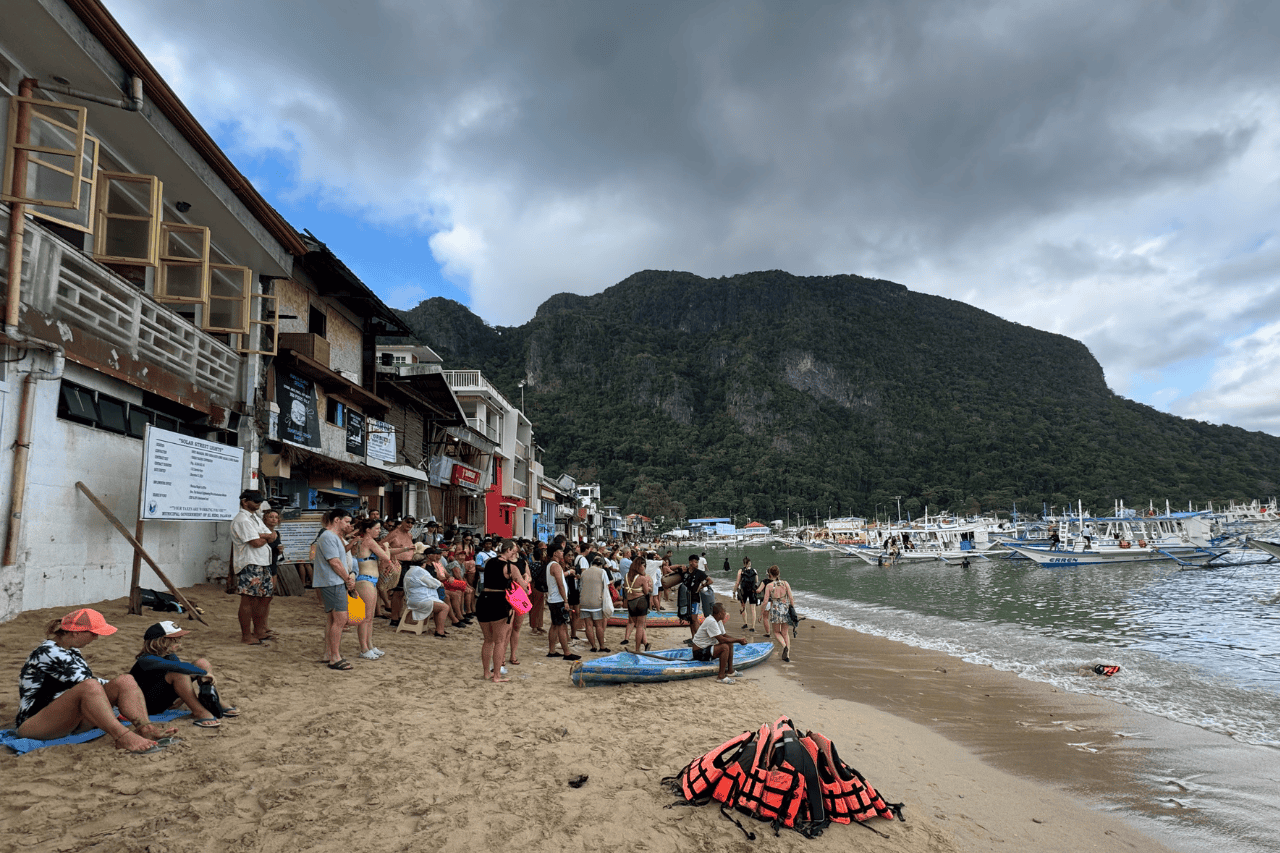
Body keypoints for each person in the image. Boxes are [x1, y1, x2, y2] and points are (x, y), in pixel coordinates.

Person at [14, 609, 176, 753]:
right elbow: (88, 684)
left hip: (67, 718)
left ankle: (145, 728)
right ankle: (123, 737)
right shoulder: (47, 652)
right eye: (93, 633)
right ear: (76, 632)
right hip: (35, 724)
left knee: (125, 680)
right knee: (91, 686)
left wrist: (127, 691)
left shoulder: (71, 650)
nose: (96, 638)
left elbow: (93, 683)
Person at [129, 620, 239, 728]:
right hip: (146, 705)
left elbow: (182, 678)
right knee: (180, 673)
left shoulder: (169, 656)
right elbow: (179, 668)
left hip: (163, 699)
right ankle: (200, 712)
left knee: (202, 663)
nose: (179, 643)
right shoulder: (146, 660)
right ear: (160, 641)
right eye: (175, 640)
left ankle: (216, 701)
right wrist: (203, 673)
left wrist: (182, 697)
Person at [230, 489, 277, 645]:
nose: (258, 504)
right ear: (245, 501)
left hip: (262, 561)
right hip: (250, 562)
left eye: (259, 501)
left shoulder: (255, 518)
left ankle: (258, 630)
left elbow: (271, 535)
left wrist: (263, 535)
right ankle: (246, 635)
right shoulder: (242, 519)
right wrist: (265, 536)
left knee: (265, 597)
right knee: (249, 599)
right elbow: (256, 542)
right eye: (255, 501)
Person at [313, 508, 357, 670]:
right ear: (337, 520)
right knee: (340, 620)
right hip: (333, 582)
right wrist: (347, 579)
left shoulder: (333, 537)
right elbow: (335, 562)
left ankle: (329, 653)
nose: (349, 525)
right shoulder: (328, 536)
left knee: (333, 620)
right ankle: (334, 657)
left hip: (334, 582)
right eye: (347, 521)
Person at [478, 539, 519, 682]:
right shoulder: (510, 567)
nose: (515, 553)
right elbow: (523, 587)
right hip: (499, 600)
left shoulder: (489, 561)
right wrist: (526, 579)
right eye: (513, 550)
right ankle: (496, 675)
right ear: (508, 550)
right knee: (500, 641)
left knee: (487, 640)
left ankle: (486, 673)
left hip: (484, 598)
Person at [352, 518, 392, 660]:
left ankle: (369, 645)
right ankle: (364, 648)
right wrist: (387, 547)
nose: (379, 531)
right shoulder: (369, 541)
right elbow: (386, 558)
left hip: (369, 581)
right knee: (365, 617)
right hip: (365, 581)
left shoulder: (363, 541)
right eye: (377, 528)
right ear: (368, 530)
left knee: (369, 618)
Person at [691, 602, 747, 684]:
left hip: (707, 648)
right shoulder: (711, 622)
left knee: (729, 643)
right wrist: (738, 640)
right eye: (724, 612)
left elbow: (725, 636)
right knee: (724, 647)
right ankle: (720, 677)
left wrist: (738, 639)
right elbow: (722, 640)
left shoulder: (718, 621)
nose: (726, 613)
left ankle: (730, 671)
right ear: (720, 614)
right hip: (699, 652)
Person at [403, 550, 451, 636]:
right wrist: (440, 583)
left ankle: (440, 628)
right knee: (445, 607)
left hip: (413, 599)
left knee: (440, 606)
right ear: (424, 563)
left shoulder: (411, 570)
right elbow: (432, 583)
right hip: (420, 600)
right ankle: (440, 631)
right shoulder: (420, 571)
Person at [544, 545, 579, 660]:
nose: (562, 553)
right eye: (560, 551)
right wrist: (565, 601)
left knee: (554, 625)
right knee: (561, 626)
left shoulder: (551, 565)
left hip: (553, 599)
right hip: (558, 600)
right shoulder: (556, 566)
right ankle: (567, 653)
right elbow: (560, 584)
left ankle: (552, 650)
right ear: (555, 553)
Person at [761, 565, 796, 662]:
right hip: (785, 608)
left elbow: (765, 601)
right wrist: (793, 610)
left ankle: (784, 646)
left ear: (770, 574)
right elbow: (791, 598)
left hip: (775, 609)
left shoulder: (769, 586)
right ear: (778, 574)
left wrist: (761, 613)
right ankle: (787, 655)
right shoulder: (785, 584)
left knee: (776, 632)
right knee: (785, 632)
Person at [505, 544, 533, 666]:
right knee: (507, 628)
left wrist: (525, 580)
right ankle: (502, 656)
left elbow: (529, 576)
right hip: (509, 594)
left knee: (516, 627)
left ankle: (513, 654)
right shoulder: (504, 562)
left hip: (521, 595)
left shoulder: (522, 561)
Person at [578, 555, 612, 653]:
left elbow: (581, 586)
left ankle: (593, 646)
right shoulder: (602, 572)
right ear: (601, 564)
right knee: (598, 625)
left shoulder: (584, 573)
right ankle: (602, 646)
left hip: (584, 602)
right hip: (596, 602)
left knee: (588, 625)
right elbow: (606, 587)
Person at [622, 557, 652, 651]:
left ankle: (646, 644)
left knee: (635, 624)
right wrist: (650, 587)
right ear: (639, 566)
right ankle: (637, 649)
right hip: (640, 601)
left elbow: (626, 590)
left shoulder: (626, 576)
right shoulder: (642, 578)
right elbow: (646, 592)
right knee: (640, 626)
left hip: (631, 602)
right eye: (643, 566)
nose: (644, 568)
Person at [681, 554, 710, 642]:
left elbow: (710, 580)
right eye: (695, 562)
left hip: (695, 599)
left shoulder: (699, 573)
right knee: (690, 619)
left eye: (697, 562)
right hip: (686, 599)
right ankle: (693, 638)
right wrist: (680, 566)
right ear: (690, 562)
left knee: (694, 619)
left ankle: (699, 639)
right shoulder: (685, 572)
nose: (697, 564)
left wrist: (702, 586)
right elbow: (671, 569)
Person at [733, 556, 760, 633]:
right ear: (750, 563)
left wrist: (734, 591)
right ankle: (753, 626)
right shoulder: (754, 570)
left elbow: (737, 582)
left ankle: (745, 623)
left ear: (744, 563)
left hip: (743, 591)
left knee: (743, 607)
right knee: (753, 609)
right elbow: (756, 580)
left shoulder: (740, 571)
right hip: (752, 591)